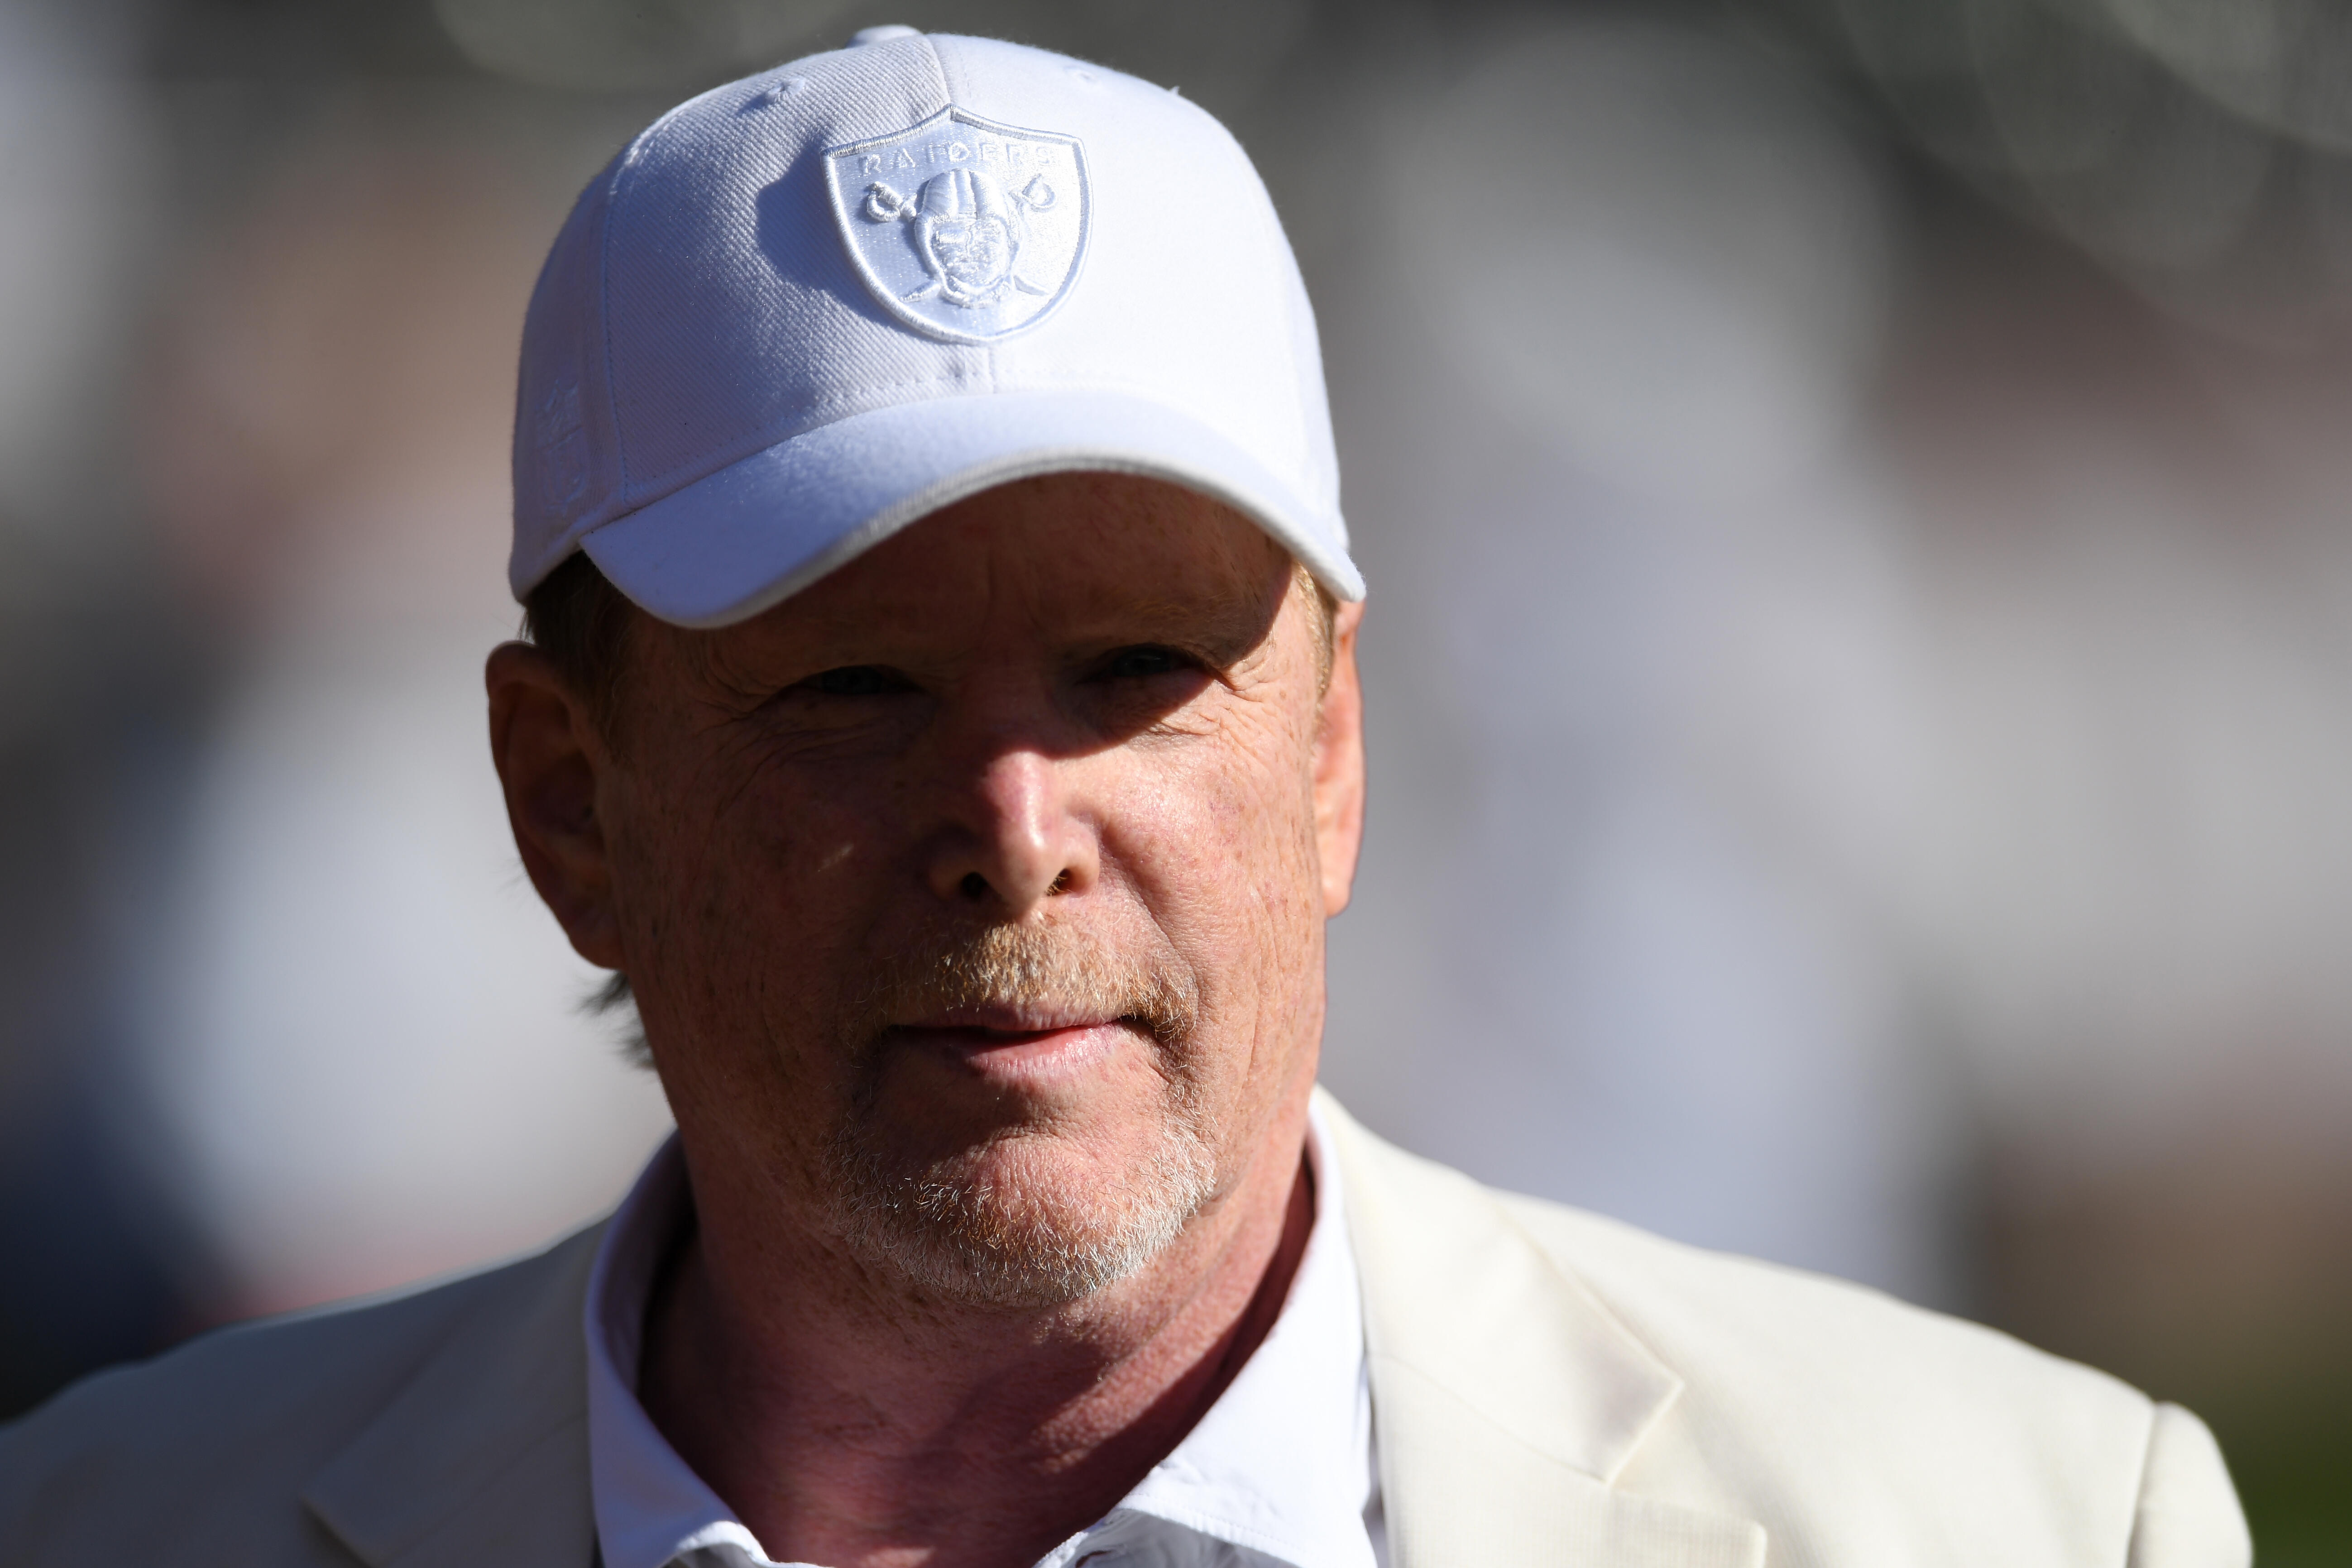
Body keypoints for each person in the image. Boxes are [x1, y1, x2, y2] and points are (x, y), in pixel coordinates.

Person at [0, 29, 2249, 1568]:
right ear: (564, 804)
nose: (1014, 812)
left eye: (1140, 668)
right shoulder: (104, 1529)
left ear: (1334, 755)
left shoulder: (2027, 1517)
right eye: (850, 682)